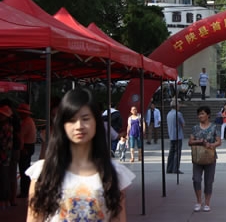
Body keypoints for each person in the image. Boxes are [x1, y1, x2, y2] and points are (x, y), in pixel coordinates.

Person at [25, 88, 135, 221]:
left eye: (85, 119)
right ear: (62, 124)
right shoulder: (43, 172)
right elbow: (34, 218)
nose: (79, 126)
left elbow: (118, 218)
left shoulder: (113, 172)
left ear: (96, 122)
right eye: (71, 120)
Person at [189, 105, 221, 212]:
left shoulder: (214, 127)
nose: (200, 116)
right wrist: (200, 141)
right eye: (199, 114)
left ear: (208, 115)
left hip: (210, 158)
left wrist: (211, 145)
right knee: (196, 179)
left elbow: (219, 141)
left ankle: (207, 203)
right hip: (197, 158)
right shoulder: (195, 128)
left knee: (209, 181)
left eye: (202, 113)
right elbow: (190, 141)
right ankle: (198, 201)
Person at [17, 103, 37, 198]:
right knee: (26, 168)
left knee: (24, 170)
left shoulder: (26, 123)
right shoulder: (30, 121)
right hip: (30, 146)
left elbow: (21, 137)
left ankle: (24, 191)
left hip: (26, 146)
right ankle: (26, 189)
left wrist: (21, 148)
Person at [0, 104, 13, 209]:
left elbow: (3, 142)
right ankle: (6, 200)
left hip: (3, 154)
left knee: (3, 177)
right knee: (5, 177)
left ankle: (3, 200)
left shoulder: (5, 126)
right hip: (6, 154)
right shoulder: (9, 126)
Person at [167, 99, 185, 174]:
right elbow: (183, 124)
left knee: (171, 152)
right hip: (178, 135)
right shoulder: (178, 114)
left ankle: (169, 168)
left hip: (171, 134)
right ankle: (175, 168)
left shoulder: (169, 114)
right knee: (177, 153)